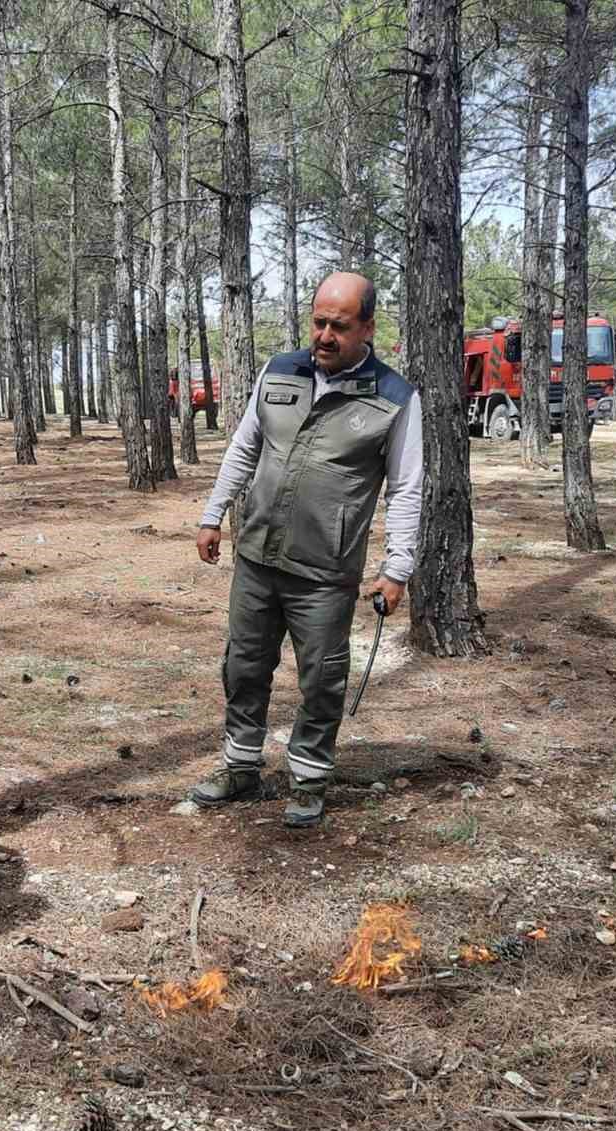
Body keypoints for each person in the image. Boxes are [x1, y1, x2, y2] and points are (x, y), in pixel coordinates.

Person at [190, 272, 422, 828]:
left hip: (325, 570)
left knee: (321, 676)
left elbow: (407, 486)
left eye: (339, 327)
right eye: (317, 322)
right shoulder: (280, 371)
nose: (323, 336)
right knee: (243, 665)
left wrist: (398, 568)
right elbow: (244, 448)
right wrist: (212, 514)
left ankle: (309, 777)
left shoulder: (394, 398)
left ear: (368, 328)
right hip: (256, 556)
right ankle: (240, 766)